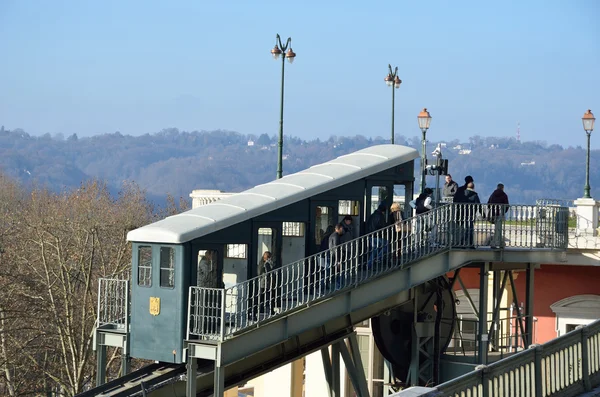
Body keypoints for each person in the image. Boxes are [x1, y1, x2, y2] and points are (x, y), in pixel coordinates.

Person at [366, 204, 389, 268]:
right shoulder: (380, 216)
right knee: (386, 245)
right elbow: (383, 226)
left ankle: (369, 264)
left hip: (370, 235)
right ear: (383, 211)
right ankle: (378, 258)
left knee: (374, 250)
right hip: (378, 235)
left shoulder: (372, 215)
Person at [255, 251, 276, 318]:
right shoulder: (263, 264)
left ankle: (271, 310)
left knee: (269, 297)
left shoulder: (269, 263)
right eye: (268, 257)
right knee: (262, 297)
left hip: (268, 284)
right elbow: (265, 272)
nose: (269, 258)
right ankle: (258, 310)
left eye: (269, 257)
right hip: (264, 283)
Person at [487, 183, 509, 248]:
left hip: (493, 214)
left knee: (497, 229)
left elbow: (488, 204)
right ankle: (496, 242)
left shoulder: (493, 194)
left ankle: (498, 242)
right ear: (502, 188)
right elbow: (506, 205)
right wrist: (503, 212)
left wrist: (491, 210)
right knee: (498, 229)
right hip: (499, 213)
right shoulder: (504, 195)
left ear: (497, 187)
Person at [462, 181, 481, 247]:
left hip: (462, 214)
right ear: (473, 187)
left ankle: (461, 243)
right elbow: (478, 205)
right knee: (470, 229)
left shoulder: (463, 194)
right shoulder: (474, 195)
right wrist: (482, 213)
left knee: (462, 229)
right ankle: (470, 243)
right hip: (471, 214)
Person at [328, 223, 345, 289]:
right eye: (342, 229)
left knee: (335, 272)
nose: (342, 230)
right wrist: (338, 260)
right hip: (335, 257)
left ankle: (337, 286)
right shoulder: (336, 236)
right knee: (341, 272)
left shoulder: (332, 235)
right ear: (340, 228)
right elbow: (336, 247)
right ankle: (339, 286)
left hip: (332, 255)